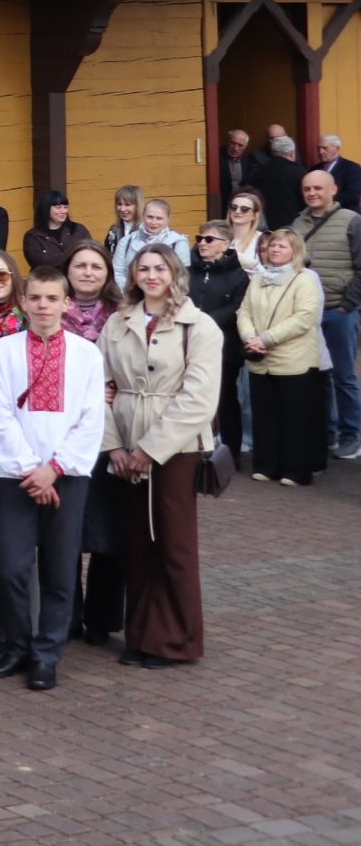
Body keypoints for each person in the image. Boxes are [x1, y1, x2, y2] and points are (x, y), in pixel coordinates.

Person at [98, 245, 221, 670]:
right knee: (138, 543)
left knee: (172, 541)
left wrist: (150, 450)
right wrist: (114, 446)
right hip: (125, 440)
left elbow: (198, 399)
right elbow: (99, 387)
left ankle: (176, 640)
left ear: (174, 273)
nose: (152, 276)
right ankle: (142, 635)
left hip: (176, 449)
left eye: (160, 268)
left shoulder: (199, 326)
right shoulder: (117, 323)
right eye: (144, 269)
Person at [0, 266, 105, 691]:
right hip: (16, 475)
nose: (43, 306)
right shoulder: (4, 350)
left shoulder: (87, 354)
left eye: (52, 298)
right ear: (23, 301)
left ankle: (47, 654)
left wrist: (53, 469)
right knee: (11, 567)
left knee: (59, 569)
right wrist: (30, 467)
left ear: (66, 303)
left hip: (66, 475)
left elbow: (92, 418)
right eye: (35, 297)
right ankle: (17, 646)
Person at [240, 230, 327, 487]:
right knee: (264, 415)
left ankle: (295, 470)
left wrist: (266, 338)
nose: (276, 249)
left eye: (283, 246)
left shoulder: (305, 279)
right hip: (260, 359)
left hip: (294, 358)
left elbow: (304, 317)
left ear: (295, 252)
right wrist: (250, 337)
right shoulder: (258, 278)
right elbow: (244, 311)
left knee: (294, 417)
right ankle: (266, 465)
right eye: (273, 245)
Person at [289, 170, 361, 462]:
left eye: (318, 188)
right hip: (308, 315)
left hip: (338, 311)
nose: (312, 193)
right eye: (307, 188)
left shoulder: (352, 221)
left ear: (334, 190)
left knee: (344, 376)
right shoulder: (297, 224)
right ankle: (327, 432)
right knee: (318, 376)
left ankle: (351, 435)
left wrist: (347, 304)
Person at [188, 222, 250, 457]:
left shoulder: (239, 276)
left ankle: (231, 455)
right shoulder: (188, 271)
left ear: (226, 244)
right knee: (191, 398)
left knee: (225, 399)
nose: (202, 243)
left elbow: (237, 308)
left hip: (224, 347)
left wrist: (204, 322)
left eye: (209, 239)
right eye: (200, 238)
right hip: (189, 344)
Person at [22, 191, 88, 275]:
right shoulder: (33, 236)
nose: (63, 211)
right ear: (46, 208)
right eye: (58, 207)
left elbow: (89, 252)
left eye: (65, 207)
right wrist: (73, 256)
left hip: (76, 279)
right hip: (47, 280)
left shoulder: (78, 229)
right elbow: (40, 262)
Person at [253, 127, 306, 230]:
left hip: (266, 227)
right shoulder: (299, 172)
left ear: (273, 152)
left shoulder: (260, 172)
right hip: (293, 226)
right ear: (292, 153)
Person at [316, 133, 361, 214]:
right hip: (319, 215)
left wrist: (327, 203)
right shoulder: (314, 169)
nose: (320, 152)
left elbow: (353, 195)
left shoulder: (351, 168)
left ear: (337, 148)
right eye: (318, 148)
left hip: (345, 214)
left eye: (325, 148)